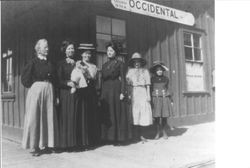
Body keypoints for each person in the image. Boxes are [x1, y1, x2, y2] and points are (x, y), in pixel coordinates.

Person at [21, 39, 58, 156]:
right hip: (36, 91)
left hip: (49, 90)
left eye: (48, 47)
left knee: (48, 117)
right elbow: (25, 79)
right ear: (38, 49)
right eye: (45, 47)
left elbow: (55, 80)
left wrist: (55, 95)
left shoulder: (50, 63)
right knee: (35, 117)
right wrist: (35, 86)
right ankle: (34, 146)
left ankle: (46, 144)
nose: (47, 49)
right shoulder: (33, 62)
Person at [100, 41, 132, 145]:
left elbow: (123, 79)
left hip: (116, 89)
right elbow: (102, 80)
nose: (109, 52)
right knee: (108, 113)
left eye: (111, 50)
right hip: (106, 90)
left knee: (116, 113)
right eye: (108, 50)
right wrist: (101, 94)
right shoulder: (104, 65)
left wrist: (123, 92)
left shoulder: (120, 64)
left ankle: (118, 138)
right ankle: (108, 137)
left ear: (115, 52)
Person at [75, 43, 99, 147]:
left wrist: (86, 71)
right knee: (82, 114)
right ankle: (81, 141)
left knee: (90, 114)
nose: (87, 56)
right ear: (81, 54)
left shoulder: (94, 66)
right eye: (85, 53)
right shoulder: (77, 64)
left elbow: (94, 78)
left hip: (91, 91)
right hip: (81, 90)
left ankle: (91, 140)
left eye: (89, 54)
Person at [126, 52, 152, 143]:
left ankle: (142, 135)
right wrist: (129, 93)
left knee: (143, 113)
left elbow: (148, 84)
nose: (137, 63)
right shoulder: (130, 71)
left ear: (141, 62)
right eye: (135, 62)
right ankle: (135, 135)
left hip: (143, 91)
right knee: (135, 113)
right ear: (133, 63)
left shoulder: (145, 71)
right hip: (134, 92)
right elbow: (128, 83)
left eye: (138, 61)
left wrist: (148, 95)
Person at [57, 40, 78, 149]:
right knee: (66, 117)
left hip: (76, 93)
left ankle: (74, 143)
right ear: (65, 51)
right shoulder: (61, 63)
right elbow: (58, 80)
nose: (71, 50)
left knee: (74, 116)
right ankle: (65, 144)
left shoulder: (78, 63)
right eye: (69, 48)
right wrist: (67, 83)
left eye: (72, 48)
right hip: (65, 93)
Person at [150, 61, 173, 139]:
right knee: (156, 117)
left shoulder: (166, 79)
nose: (159, 71)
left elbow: (168, 88)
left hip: (164, 98)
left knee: (164, 116)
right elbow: (150, 89)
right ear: (155, 71)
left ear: (162, 71)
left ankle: (164, 131)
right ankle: (157, 132)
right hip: (156, 99)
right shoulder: (152, 79)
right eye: (157, 70)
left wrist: (171, 98)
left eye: (160, 70)